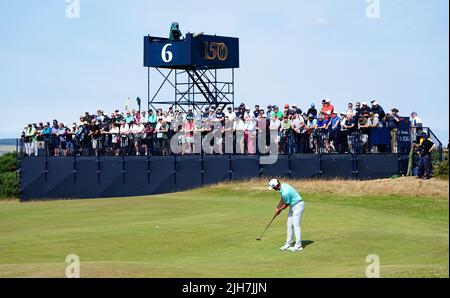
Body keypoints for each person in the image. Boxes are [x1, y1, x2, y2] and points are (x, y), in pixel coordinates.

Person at [269, 179, 305, 252]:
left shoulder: (285, 191)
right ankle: (288, 243)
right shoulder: (283, 186)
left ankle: (298, 246)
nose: (273, 189)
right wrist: (277, 207)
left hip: (298, 205)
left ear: (276, 186)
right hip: (293, 206)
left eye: (273, 188)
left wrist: (279, 210)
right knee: (289, 225)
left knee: (296, 225)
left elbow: (286, 204)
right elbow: (283, 198)